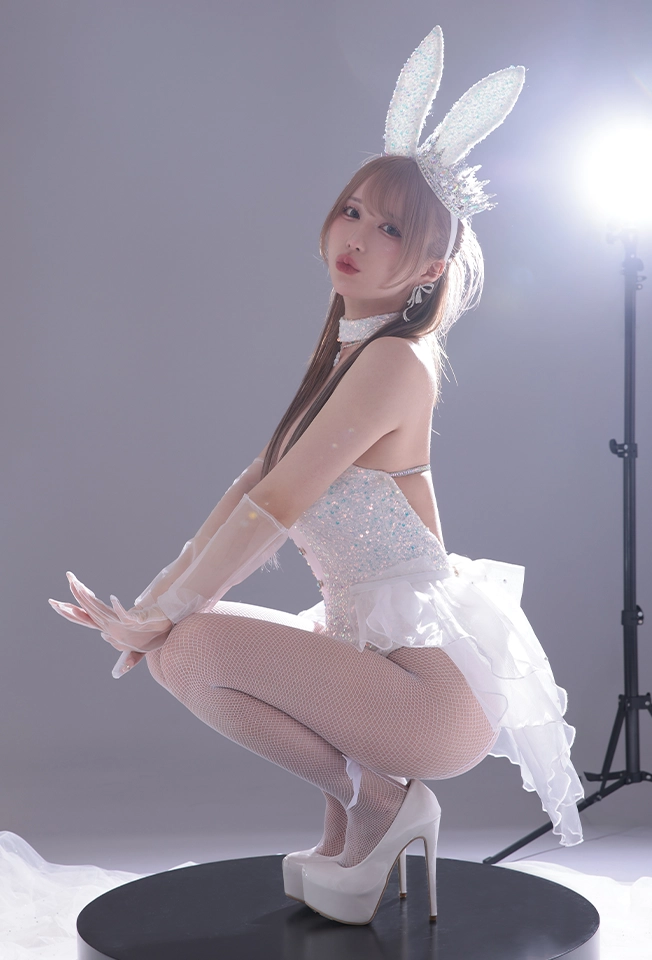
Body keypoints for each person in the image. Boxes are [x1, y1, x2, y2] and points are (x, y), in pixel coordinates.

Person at [49, 27, 583, 926]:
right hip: (369, 663)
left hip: (427, 697)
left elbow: (278, 502)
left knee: (190, 645)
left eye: (390, 228)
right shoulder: (347, 356)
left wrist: (165, 615)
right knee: (177, 645)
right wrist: (149, 604)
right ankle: (359, 817)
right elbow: (252, 482)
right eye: (353, 210)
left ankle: (381, 803)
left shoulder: (395, 361)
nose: (357, 236)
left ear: (430, 270)